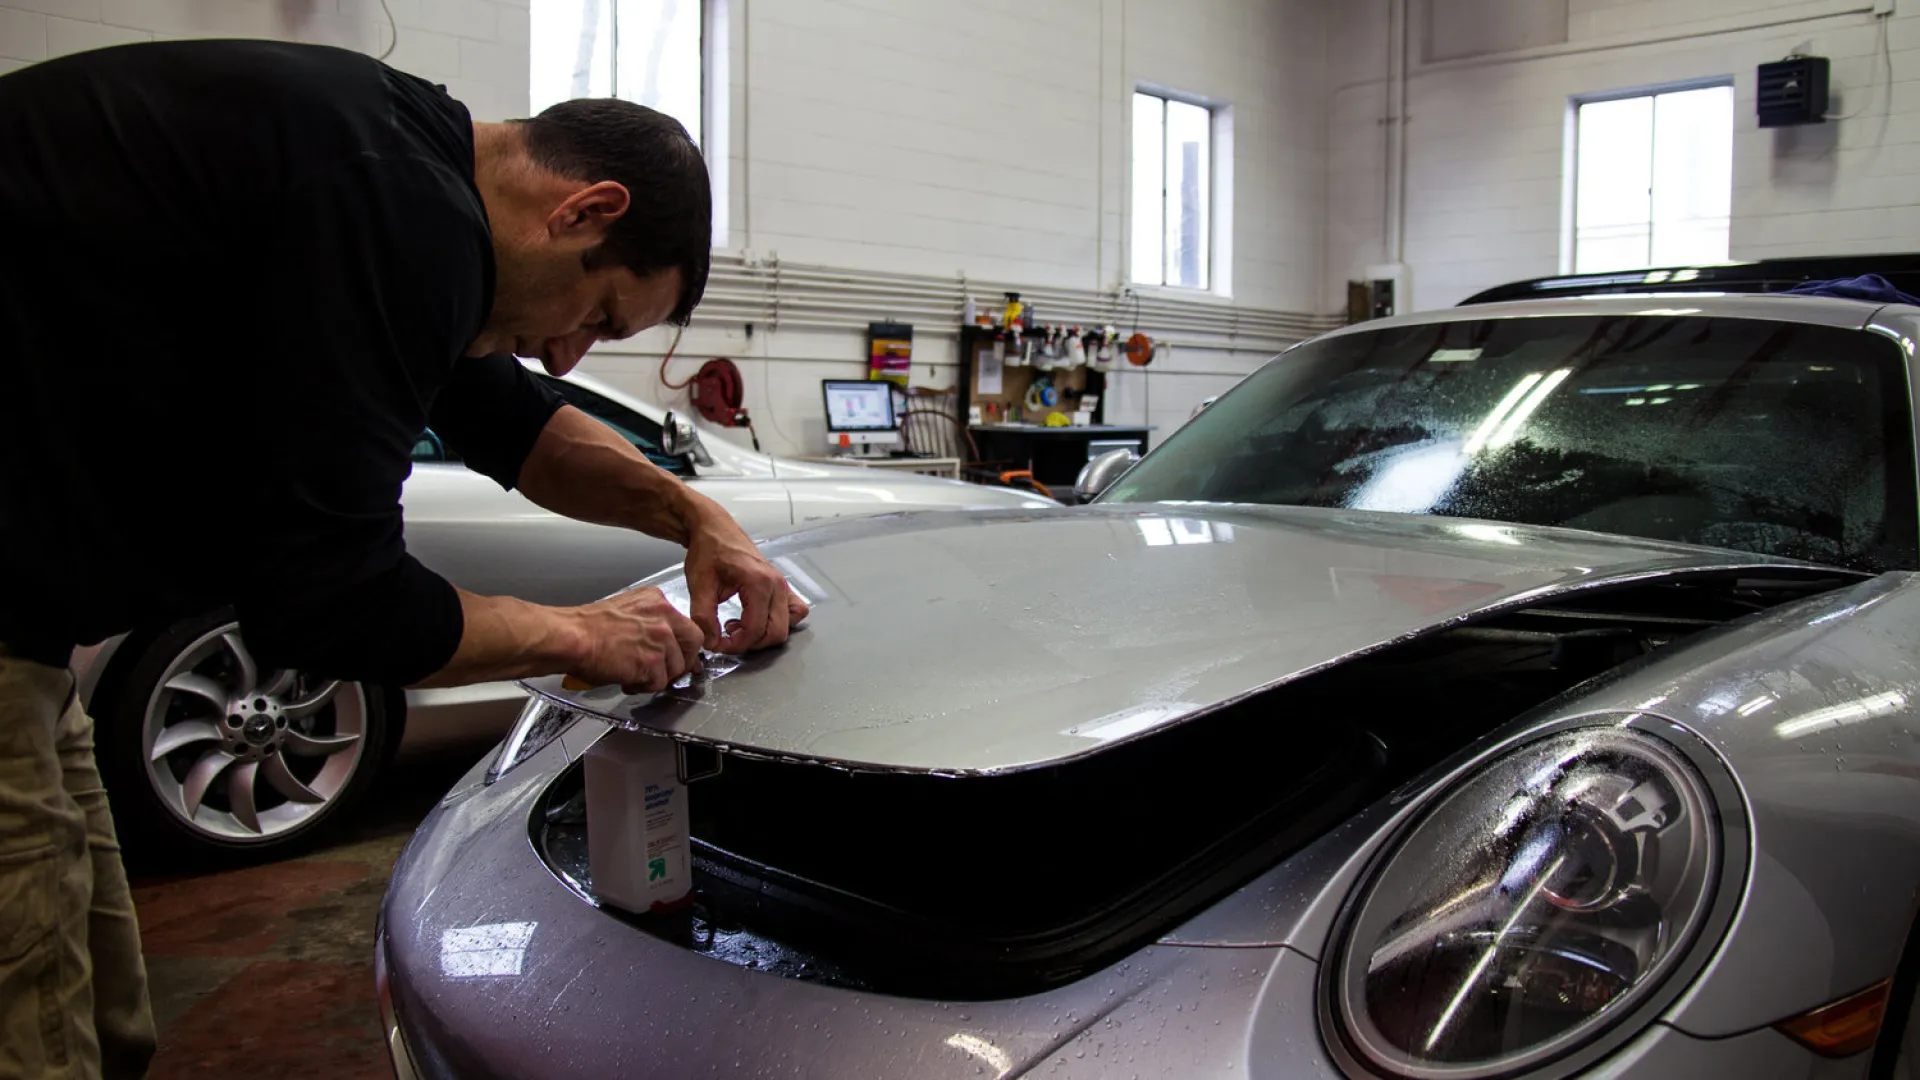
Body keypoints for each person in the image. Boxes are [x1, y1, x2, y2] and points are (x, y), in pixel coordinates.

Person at [0, 40, 806, 1079]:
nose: (567, 356)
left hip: (32, 637)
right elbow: (332, 603)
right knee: (34, 1037)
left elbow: (517, 425)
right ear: (584, 210)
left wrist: (701, 521)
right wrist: (585, 636)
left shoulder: (394, 169)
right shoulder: (394, 204)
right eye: (596, 316)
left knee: (104, 1017)